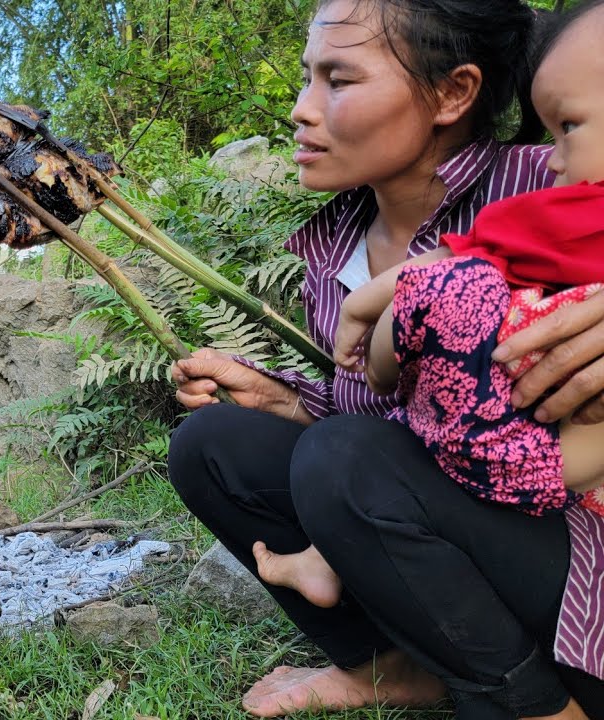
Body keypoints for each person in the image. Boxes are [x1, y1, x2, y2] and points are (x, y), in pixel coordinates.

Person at [165, 0, 604, 717]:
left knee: (345, 458)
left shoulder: (555, 180)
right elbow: (404, 415)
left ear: (454, 93)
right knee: (214, 444)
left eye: (338, 80)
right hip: (458, 495)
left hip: (574, 542)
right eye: (307, 78)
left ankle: (534, 703)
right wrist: (289, 400)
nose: (302, 111)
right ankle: (397, 664)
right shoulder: (334, 246)